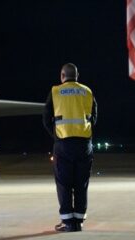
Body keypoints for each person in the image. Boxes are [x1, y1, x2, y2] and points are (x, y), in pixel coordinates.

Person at [42, 63, 97, 232]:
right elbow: (93, 117)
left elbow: (46, 118)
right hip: (84, 144)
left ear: (62, 75)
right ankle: (78, 221)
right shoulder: (87, 91)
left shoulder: (55, 91)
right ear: (77, 75)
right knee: (81, 183)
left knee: (64, 183)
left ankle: (67, 222)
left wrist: (57, 135)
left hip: (63, 143)